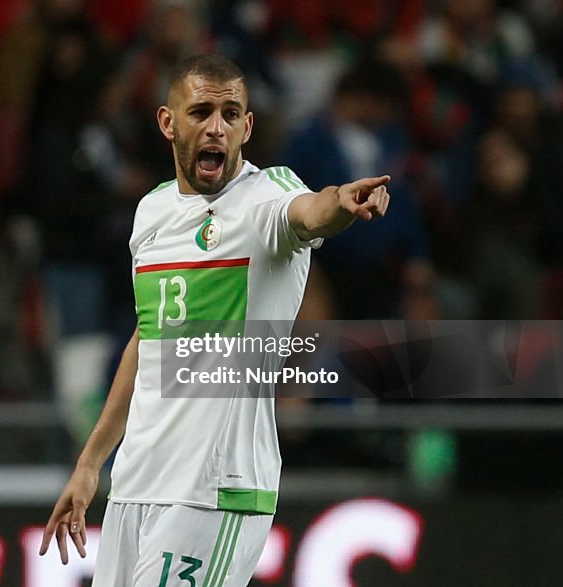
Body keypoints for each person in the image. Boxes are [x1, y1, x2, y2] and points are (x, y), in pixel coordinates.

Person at [39, 54, 391, 586]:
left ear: (247, 126)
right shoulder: (152, 213)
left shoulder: (266, 196)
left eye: (231, 114)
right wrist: (91, 463)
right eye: (201, 111)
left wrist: (340, 202)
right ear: (168, 122)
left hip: (215, 491)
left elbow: (309, 211)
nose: (217, 127)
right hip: (137, 484)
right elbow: (148, 342)